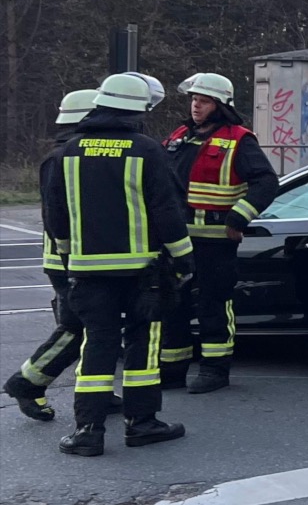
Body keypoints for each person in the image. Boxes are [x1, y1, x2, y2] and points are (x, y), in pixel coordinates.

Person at [43, 73, 194, 456]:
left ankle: (88, 431)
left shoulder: (68, 151)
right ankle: (142, 424)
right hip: (143, 272)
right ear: (138, 111)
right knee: (143, 345)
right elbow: (165, 210)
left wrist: (66, 254)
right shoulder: (146, 149)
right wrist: (183, 257)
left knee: (98, 343)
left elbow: (55, 216)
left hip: (88, 272)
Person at [161, 72, 279, 394]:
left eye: (203, 101)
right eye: (194, 100)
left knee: (214, 304)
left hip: (215, 240)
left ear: (220, 104)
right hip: (176, 240)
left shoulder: (240, 139)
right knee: (173, 306)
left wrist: (238, 218)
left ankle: (214, 371)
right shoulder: (180, 136)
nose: (195, 106)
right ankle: (171, 371)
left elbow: (267, 183)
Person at [3, 89, 108, 422]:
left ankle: (97, 391)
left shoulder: (72, 153)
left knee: (91, 328)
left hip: (77, 258)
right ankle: (28, 382)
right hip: (67, 260)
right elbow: (56, 215)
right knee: (77, 327)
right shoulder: (62, 157)